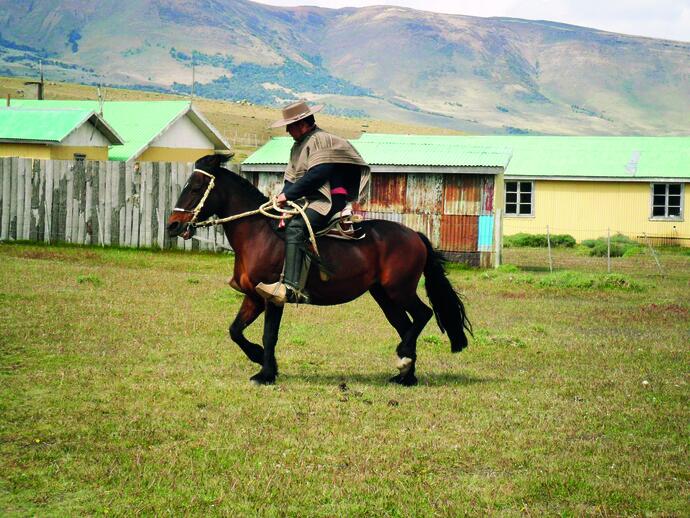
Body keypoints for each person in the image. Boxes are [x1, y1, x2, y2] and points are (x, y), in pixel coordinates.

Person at [255, 100, 370, 305]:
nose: (288, 131)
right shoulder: (298, 146)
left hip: (329, 200)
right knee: (278, 223)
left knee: (297, 226)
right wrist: (281, 200)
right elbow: (292, 180)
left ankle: (291, 288)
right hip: (308, 199)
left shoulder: (320, 139)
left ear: (302, 124)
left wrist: (288, 196)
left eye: (289, 126)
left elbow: (318, 175)